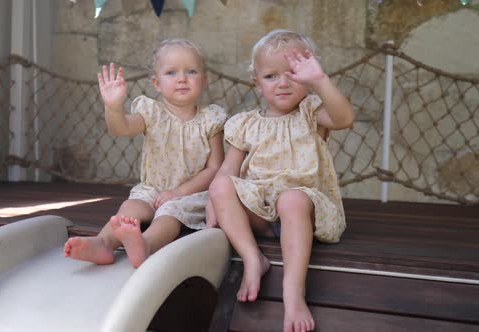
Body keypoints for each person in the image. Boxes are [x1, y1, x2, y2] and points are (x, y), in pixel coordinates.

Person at [207, 29, 354, 332]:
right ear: (256, 81)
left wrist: (319, 80)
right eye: (271, 76)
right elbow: (227, 173)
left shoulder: (311, 112)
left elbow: (344, 119)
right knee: (220, 185)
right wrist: (215, 202)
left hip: (305, 209)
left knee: (291, 199)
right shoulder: (244, 123)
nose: (283, 82)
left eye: (293, 74)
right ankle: (252, 258)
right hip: (260, 212)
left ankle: (293, 293)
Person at [64, 38, 226, 269]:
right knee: (131, 207)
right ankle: (103, 243)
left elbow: (215, 168)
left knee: (169, 214)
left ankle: (145, 245)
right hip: (153, 188)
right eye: (171, 72)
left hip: (191, 195)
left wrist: (177, 192)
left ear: (204, 80)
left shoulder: (210, 120)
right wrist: (113, 107)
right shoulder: (152, 112)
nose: (182, 78)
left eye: (191, 71)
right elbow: (121, 128)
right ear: (156, 83)